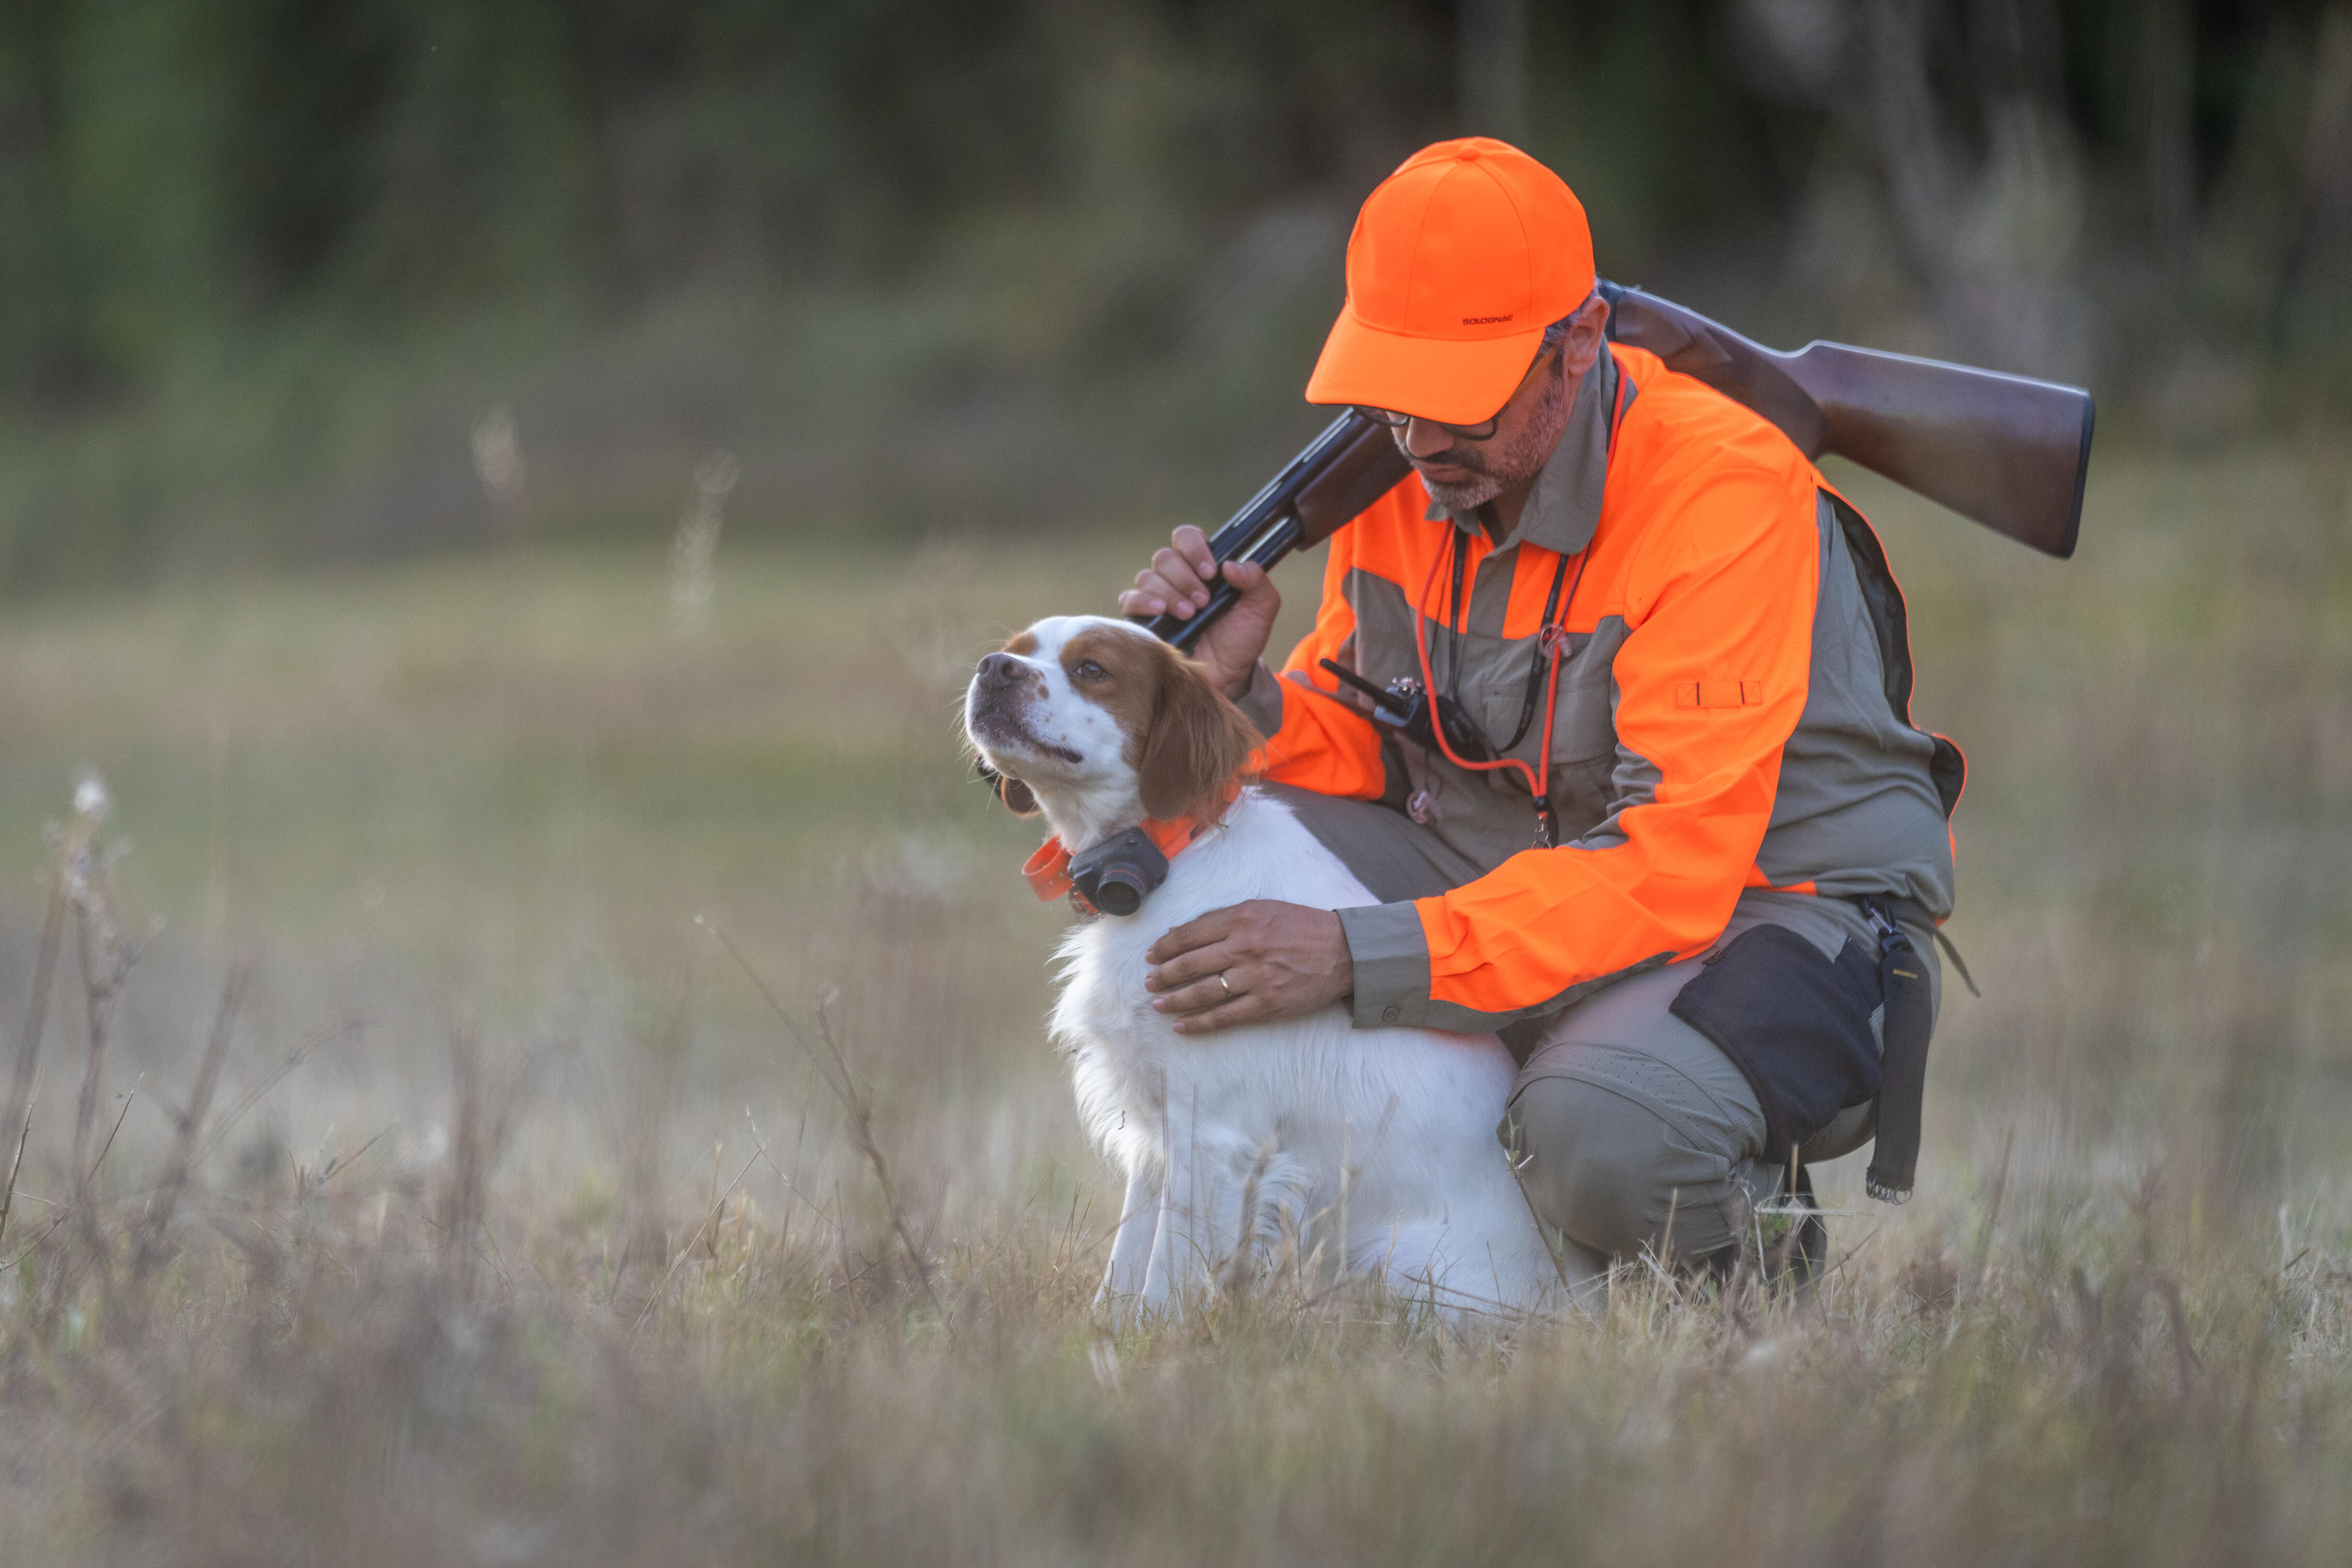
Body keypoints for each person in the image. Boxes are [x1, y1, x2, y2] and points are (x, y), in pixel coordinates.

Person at [1116, 137, 1961, 1296]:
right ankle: (1388, 1249)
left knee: (1600, 1131)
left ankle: (1744, 1295)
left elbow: (1670, 871)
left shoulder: (1719, 493)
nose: (1419, 441)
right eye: (1396, 394)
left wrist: (1355, 954)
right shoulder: (1407, 469)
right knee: (1232, 850)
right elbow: (1370, 749)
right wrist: (1241, 693)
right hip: (1544, 856)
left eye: (1456, 399)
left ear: (1576, 346)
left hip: (1776, 910)